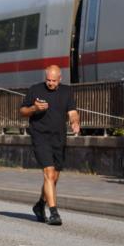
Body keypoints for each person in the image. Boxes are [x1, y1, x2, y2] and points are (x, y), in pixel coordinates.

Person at [19, 65, 80, 226]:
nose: (50, 83)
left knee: (54, 178)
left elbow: (72, 112)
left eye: (54, 80)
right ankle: (54, 213)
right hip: (40, 136)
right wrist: (34, 108)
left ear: (60, 79)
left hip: (59, 138)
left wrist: (75, 122)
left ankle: (40, 205)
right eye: (48, 80)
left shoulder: (67, 91)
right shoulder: (35, 89)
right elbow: (22, 111)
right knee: (49, 173)